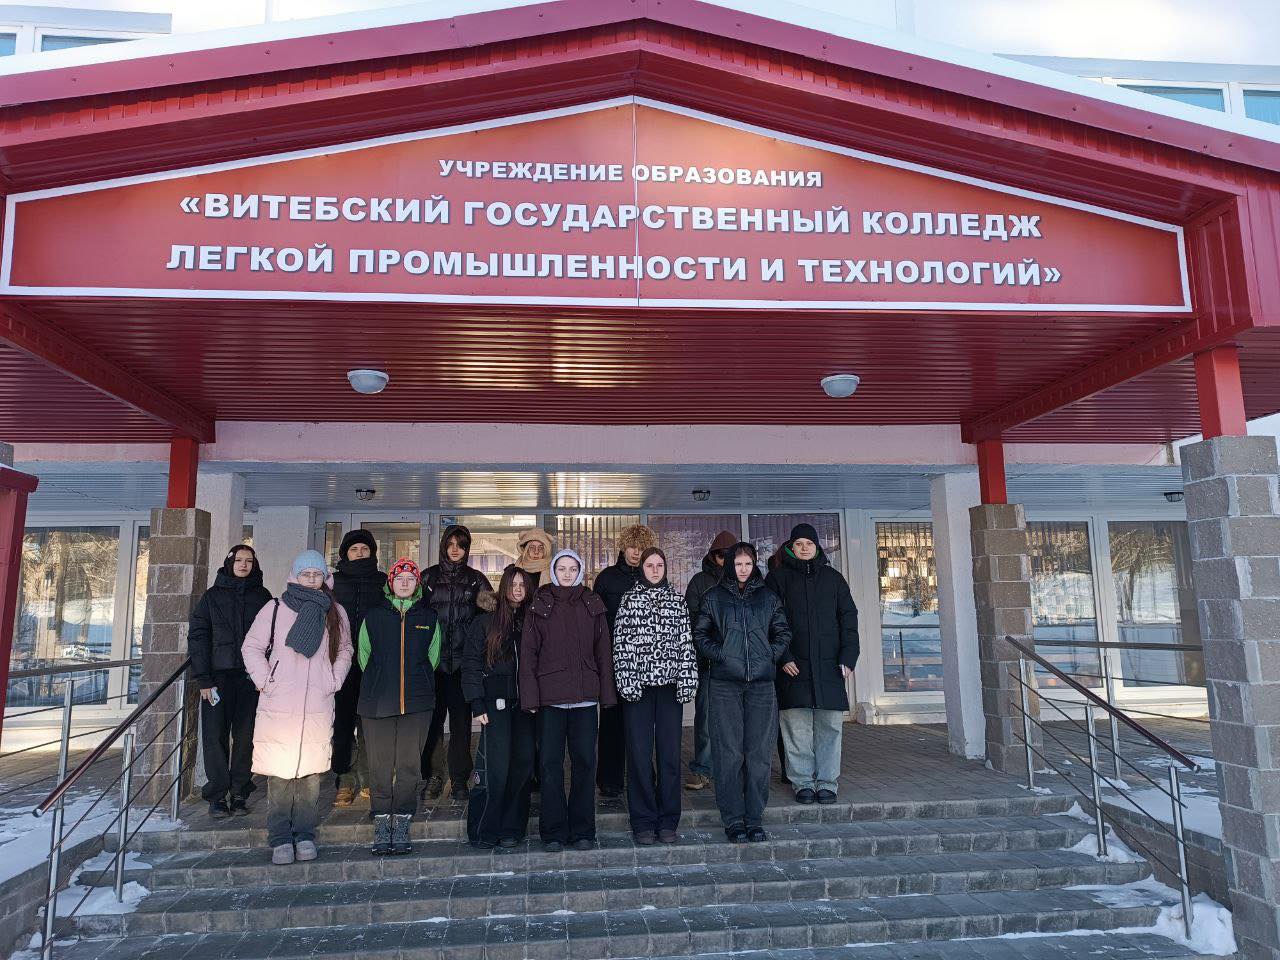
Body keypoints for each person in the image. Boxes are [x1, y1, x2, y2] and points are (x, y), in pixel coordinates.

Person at [242, 551, 352, 865]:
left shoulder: (334, 611)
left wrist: (334, 679)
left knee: (310, 776)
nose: (312, 580)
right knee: (279, 775)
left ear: (325, 578)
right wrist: (266, 680)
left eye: (317, 575)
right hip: (280, 700)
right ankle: (279, 838)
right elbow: (251, 647)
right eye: (306, 574)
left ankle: (305, 834)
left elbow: (345, 648)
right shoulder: (276, 608)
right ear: (295, 576)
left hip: (317, 699)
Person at [692, 542, 793, 844]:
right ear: (729, 566)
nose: (743, 569)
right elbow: (700, 634)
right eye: (738, 564)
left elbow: (783, 632)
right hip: (725, 685)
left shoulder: (768, 597)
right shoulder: (714, 597)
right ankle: (733, 819)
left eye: (748, 564)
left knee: (758, 753)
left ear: (754, 565)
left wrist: (768, 655)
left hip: (761, 686)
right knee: (729, 753)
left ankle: (754, 818)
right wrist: (721, 655)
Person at [520, 549, 616, 851]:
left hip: (585, 700)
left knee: (585, 764)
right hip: (550, 700)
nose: (567, 573)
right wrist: (530, 697)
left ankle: (583, 830)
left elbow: (604, 652)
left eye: (572, 568)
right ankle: (553, 832)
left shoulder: (592, 602)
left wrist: (606, 695)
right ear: (553, 571)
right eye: (561, 568)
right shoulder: (540, 603)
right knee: (550, 765)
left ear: (580, 571)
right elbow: (528, 654)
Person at [767, 524, 860, 805]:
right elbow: (768, 622)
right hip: (793, 668)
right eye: (799, 544)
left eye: (809, 543)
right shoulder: (777, 579)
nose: (804, 548)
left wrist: (848, 657)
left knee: (829, 728)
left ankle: (828, 783)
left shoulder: (833, 579)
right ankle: (803, 783)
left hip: (829, 667)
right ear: (790, 548)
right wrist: (783, 657)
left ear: (817, 546)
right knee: (796, 729)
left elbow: (849, 619)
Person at [612, 547, 698, 844]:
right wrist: (627, 682)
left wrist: (687, 681)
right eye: (649, 565)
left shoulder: (677, 601)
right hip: (638, 690)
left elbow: (686, 644)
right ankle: (643, 820)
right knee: (638, 755)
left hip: (670, 689)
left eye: (659, 565)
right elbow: (621, 645)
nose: (655, 570)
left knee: (669, 755)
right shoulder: (629, 600)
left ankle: (668, 819)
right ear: (642, 569)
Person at [358, 558, 441, 855]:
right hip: (378, 701)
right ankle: (382, 820)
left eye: (410, 578)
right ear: (390, 583)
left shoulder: (429, 617)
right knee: (379, 764)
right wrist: (382, 679)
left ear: (417, 584)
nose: (404, 583)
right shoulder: (373, 617)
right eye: (399, 578)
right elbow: (364, 656)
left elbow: (433, 657)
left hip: (417, 702)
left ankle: (403, 819)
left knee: (409, 764)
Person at [189, 544, 272, 819]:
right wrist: (203, 679)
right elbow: (199, 636)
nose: (244, 565)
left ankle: (239, 793)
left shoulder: (262, 596)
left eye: (249, 560)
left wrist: (265, 675)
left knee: (246, 737)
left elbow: (272, 638)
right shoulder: (211, 597)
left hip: (250, 679)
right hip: (217, 679)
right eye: (239, 560)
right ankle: (217, 795)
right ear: (229, 563)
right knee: (215, 737)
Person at [463, 566, 535, 848]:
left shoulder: (532, 621)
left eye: (522, 585)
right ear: (504, 587)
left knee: (522, 765)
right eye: (513, 584)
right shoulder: (485, 622)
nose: (517, 590)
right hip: (495, 705)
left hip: (526, 705)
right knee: (495, 768)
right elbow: (471, 664)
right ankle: (485, 829)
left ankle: (512, 828)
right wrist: (476, 702)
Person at [422, 524, 493, 801]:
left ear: (467, 549)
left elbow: (490, 618)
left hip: (463, 665)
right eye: (450, 544)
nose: (455, 549)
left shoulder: (476, 580)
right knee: (433, 724)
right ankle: (433, 776)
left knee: (462, 725)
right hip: (433, 665)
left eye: (460, 545)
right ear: (443, 546)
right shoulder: (428, 578)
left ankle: (460, 779)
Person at [590, 523, 657, 798]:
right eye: (632, 546)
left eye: (641, 548)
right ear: (623, 547)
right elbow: (595, 622)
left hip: (644, 663)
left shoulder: (652, 576)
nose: (636, 552)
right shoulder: (607, 578)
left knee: (641, 723)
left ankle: (644, 776)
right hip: (613, 661)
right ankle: (610, 779)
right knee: (611, 722)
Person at [331, 529, 383, 806]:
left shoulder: (383, 582)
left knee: (369, 724)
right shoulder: (333, 582)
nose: (360, 553)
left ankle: (369, 777)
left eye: (365, 549)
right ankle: (345, 778)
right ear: (345, 553)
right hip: (340, 664)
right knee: (342, 724)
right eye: (354, 549)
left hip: (373, 663)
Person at [682, 530, 738, 791]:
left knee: (737, 718)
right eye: (720, 554)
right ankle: (703, 769)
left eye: (730, 555)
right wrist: (711, 647)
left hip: (739, 663)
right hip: (708, 661)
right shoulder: (699, 582)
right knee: (705, 717)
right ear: (712, 556)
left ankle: (733, 769)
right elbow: (692, 621)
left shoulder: (747, 580)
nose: (724, 559)